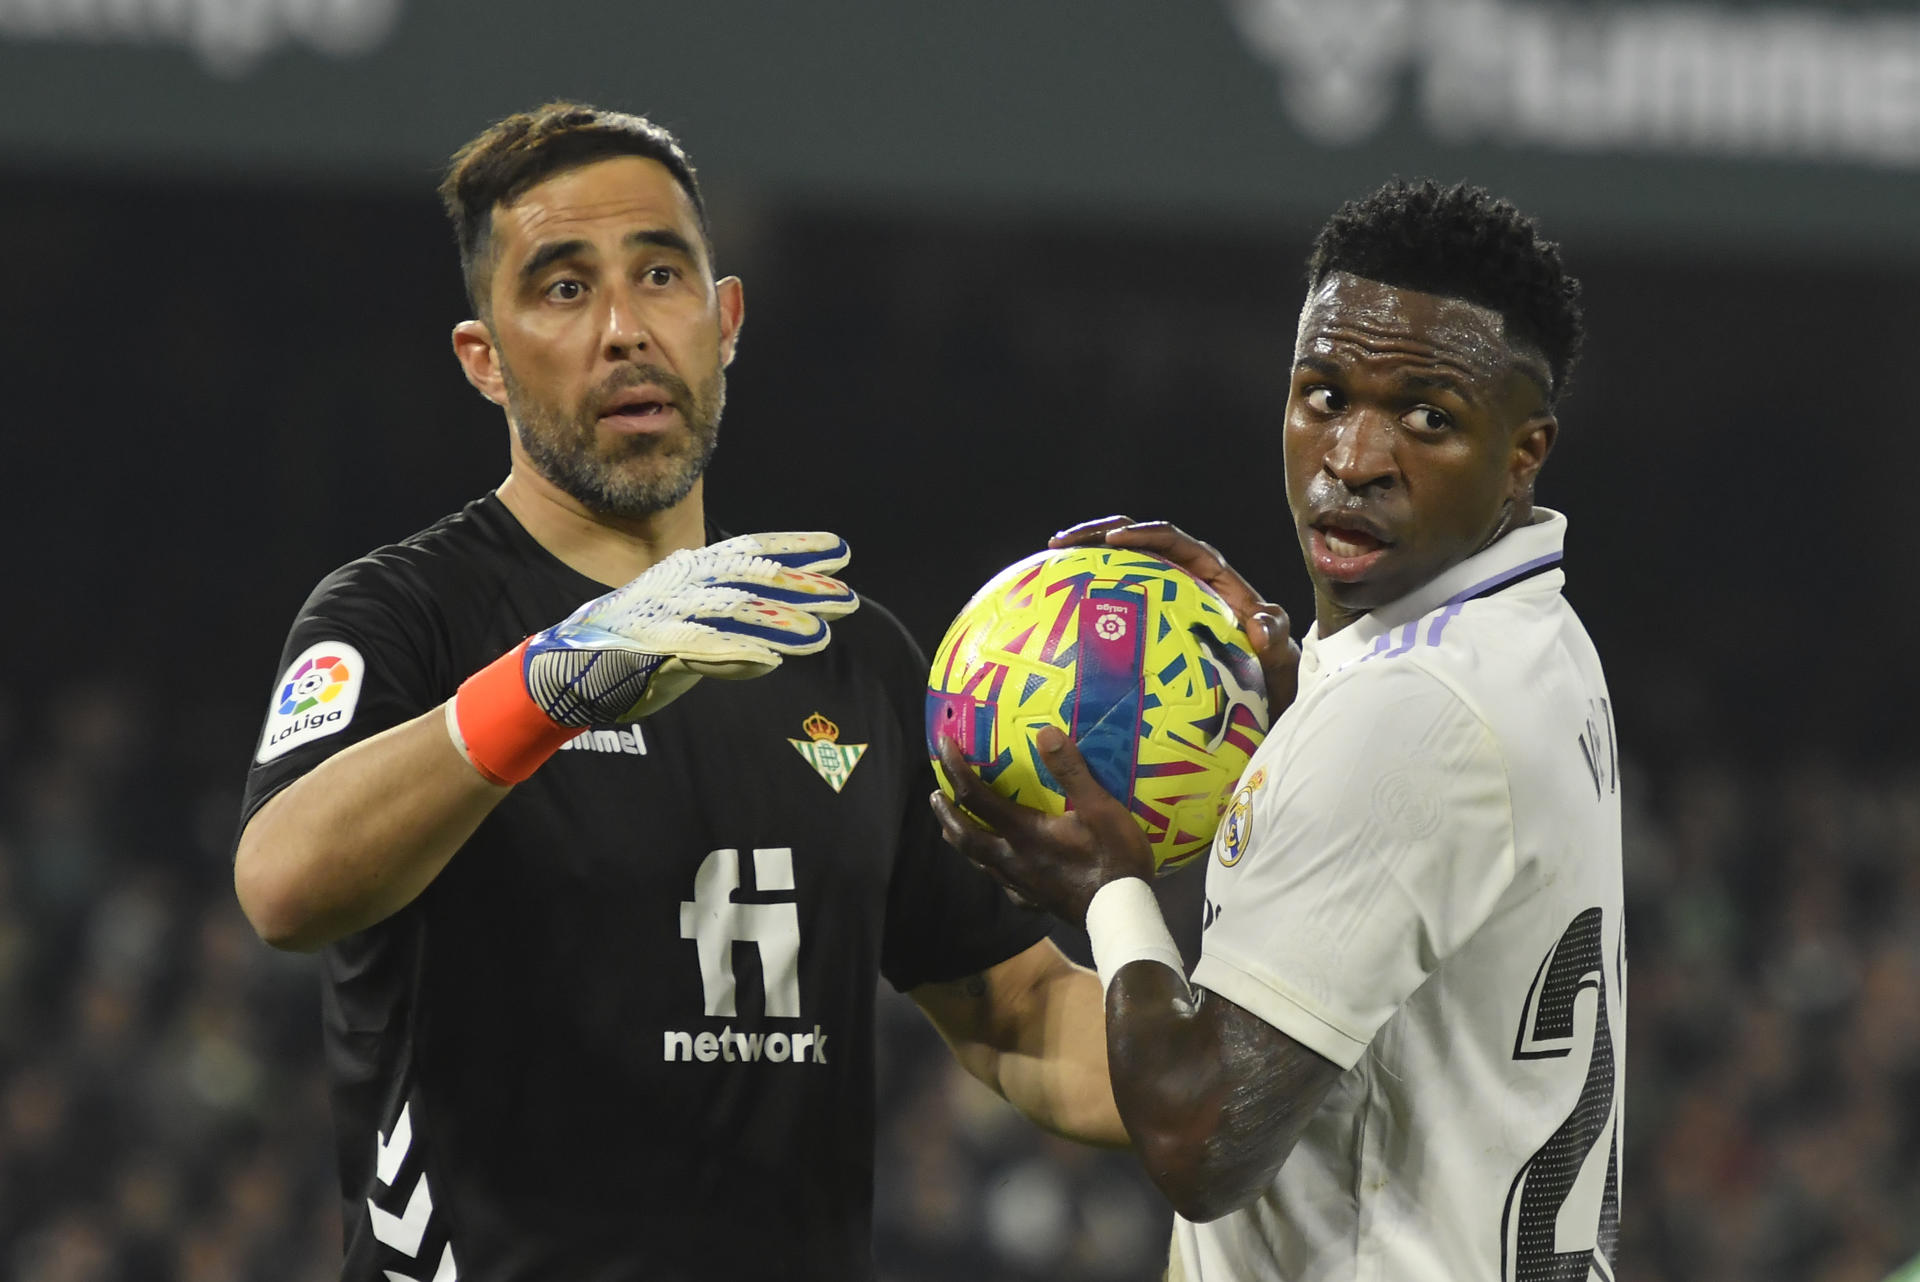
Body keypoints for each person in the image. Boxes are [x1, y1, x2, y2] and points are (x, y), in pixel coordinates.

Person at [232, 102, 1128, 1282]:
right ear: (483, 359)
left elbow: (1017, 1011)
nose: (622, 329)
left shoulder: (851, 653)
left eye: (661, 274)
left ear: (727, 318)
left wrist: (1271, 1050)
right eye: (561, 288)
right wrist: (551, 689)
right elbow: (284, 883)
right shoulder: (404, 615)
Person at [935, 180, 1623, 1280]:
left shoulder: (1408, 715)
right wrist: (1296, 704)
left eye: (1428, 418)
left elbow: (1199, 1140)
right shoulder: (1540, 641)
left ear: (1524, 453)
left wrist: (1108, 889)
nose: (1352, 458)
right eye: (1322, 394)